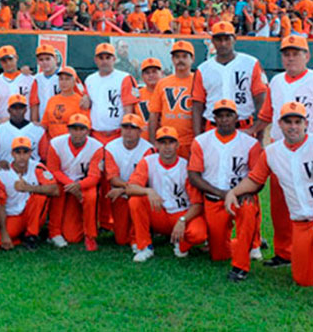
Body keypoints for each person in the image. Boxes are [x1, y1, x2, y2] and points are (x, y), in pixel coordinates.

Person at [225, 102, 313, 286]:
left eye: (298, 122)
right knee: (303, 279)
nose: (293, 127)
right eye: (288, 122)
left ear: (306, 123)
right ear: (279, 124)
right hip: (301, 223)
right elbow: (255, 179)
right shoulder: (272, 152)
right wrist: (233, 192)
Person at [245, 35, 313, 268]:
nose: (291, 57)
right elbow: (266, 114)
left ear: (307, 55)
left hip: (309, 149)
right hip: (281, 151)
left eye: (296, 53)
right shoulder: (276, 82)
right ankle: (284, 252)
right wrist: (252, 131)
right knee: (280, 204)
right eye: (286, 53)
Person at [188, 100, 262, 281]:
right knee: (219, 254)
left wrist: (238, 193)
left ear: (236, 117)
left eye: (228, 115)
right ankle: (246, 243)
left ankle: (241, 265)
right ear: (214, 119)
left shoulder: (250, 143)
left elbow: (258, 179)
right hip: (215, 199)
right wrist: (224, 194)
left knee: (248, 207)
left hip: (240, 198)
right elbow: (193, 176)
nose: (224, 120)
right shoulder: (201, 141)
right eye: (220, 116)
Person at [126, 126, 207, 262]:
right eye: (163, 142)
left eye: (171, 142)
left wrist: (183, 220)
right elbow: (130, 188)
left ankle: (181, 244)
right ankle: (145, 246)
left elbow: (198, 204)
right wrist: (148, 190)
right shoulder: (148, 161)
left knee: (199, 234)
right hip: (159, 212)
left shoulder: (186, 166)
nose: (167, 147)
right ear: (156, 145)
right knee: (135, 200)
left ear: (177, 145)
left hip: (181, 214)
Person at [84, 42, 138, 230]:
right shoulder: (90, 79)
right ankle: (102, 219)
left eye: (108, 57)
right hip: (97, 134)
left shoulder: (124, 77)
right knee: (97, 178)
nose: (105, 60)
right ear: (95, 60)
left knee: (115, 177)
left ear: (114, 59)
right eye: (101, 57)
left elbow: (129, 107)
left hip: (116, 133)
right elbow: (88, 101)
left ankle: (117, 220)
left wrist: (126, 132)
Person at [0, 136, 59, 251]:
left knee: (39, 196)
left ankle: (31, 235)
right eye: (18, 152)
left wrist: (27, 188)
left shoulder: (37, 167)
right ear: (12, 154)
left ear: (30, 153)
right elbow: (1, 205)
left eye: (25, 152)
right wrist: (4, 233)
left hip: (32, 214)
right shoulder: (2, 173)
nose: (22, 157)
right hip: (12, 216)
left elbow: (55, 190)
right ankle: (19, 238)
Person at [192, 21, 267, 135]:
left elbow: (260, 99)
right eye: (219, 39)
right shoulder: (203, 69)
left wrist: (259, 134)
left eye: (227, 39)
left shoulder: (251, 63)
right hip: (213, 128)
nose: (223, 43)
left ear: (234, 39)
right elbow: (197, 105)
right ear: (212, 41)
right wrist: (197, 136)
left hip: (244, 127)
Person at [95, 114, 154, 248]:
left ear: (140, 131)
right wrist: (126, 189)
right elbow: (113, 178)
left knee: (136, 203)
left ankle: (138, 236)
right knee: (121, 239)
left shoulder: (148, 149)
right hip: (120, 193)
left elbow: (145, 181)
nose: (128, 131)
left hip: (139, 193)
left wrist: (126, 189)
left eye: (133, 128)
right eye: (125, 127)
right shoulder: (111, 147)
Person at [46, 114, 102, 250]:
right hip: (63, 182)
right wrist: (71, 185)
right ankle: (54, 232)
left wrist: (78, 186)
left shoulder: (97, 147)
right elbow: (53, 170)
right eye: (74, 129)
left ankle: (90, 235)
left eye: (81, 129)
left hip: (83, 183)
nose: (77, 133)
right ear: (68, 130)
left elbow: (94, 177)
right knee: (56, 189)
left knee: (91, 195)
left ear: (88, 131)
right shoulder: (56, 143)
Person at [148, 41, 195, 158]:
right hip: (166, 142)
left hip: (190, 142)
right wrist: (153, 141)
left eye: (184, 56)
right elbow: (154, 114)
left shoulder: (199, 81)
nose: (180, 60)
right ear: (172, 59)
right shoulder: (163, 83)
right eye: (177, 57)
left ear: (192, 59)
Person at [0, 95, 45, 169]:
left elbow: (44, 159)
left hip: (31, 174)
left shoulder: (38, 131)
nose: (18, 111)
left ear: (25, 110)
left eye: (21, 108)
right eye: (14, 108)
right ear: (9, 110)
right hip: (6, 173)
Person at [0, 45, 34, 121]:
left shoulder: (30, 80)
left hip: (26, 125)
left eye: (10, 59)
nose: (7, 63)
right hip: (3, 125)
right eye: (4, 60)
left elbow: (35, 105)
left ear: (16, 58)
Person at [41, 66, 85, 139]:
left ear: (74, 81)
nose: (64, 82)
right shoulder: (52, 100)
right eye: (61, 79)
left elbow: (85, 126)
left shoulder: (80, 101)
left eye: (67, 79)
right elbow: (45, 124)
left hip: (71, 142)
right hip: (52, 142)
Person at [29, 45, 60, 123]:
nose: (44, 62)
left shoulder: (65, 75)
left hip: (62, 122)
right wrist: (34, 122)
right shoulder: (36, 79)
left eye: (48, 59)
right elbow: (34, 103)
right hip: (44, 122)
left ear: (55, 59)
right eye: (41, 60)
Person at [135, 58, 162, 139]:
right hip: (142, 141)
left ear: (161, 73)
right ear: (142, 76)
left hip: (164, 140)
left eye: (154, 71)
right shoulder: (136, 94)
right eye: (147, 73)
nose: (151, 75)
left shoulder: (166, 92)